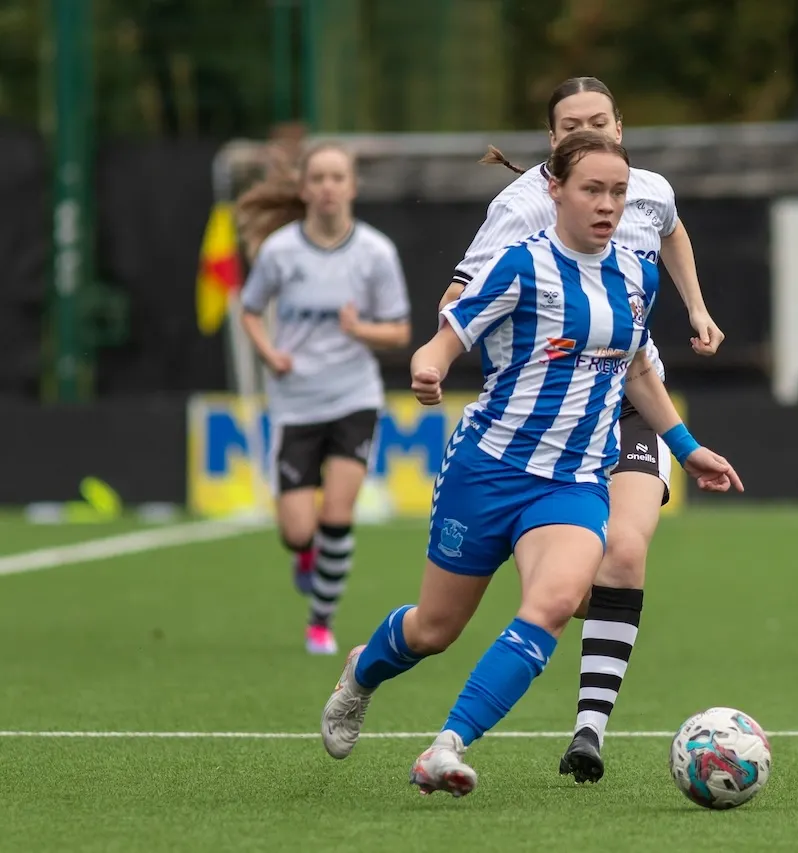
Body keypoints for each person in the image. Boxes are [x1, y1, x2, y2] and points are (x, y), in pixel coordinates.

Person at [319, 131, 743, 799]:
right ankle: (361, 674)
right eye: (592, 190)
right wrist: (429, 368)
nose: (608, 205)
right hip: (486, 470)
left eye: (619, 192)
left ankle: (446, 745)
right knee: (434, 628)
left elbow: (634, 368)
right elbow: (446, 336)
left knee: (553, 602)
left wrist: (688, 449)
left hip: (574, 480)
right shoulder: (519, 265)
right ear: (555, 190)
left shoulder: (638, 273)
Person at [437, 75, 725, 784]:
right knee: (490, 609)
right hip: (547, 413)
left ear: (620, 126)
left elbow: (671, 227)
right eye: (570, 125)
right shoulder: (521, 209)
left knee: (624, 552)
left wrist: (695, 305)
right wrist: (450, 344)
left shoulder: (645, 191)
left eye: (598, 120)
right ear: (552, 143)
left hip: (629, 392)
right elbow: (459, 296)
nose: (585, 131)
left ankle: (588, 730)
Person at [236, 141, 412, 655]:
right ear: (305, 189)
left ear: (352, 187)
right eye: (319, 178)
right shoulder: (280, 251)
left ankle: (321, 622)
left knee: (338, 513)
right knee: (297, 531)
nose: (329, 187)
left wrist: (362, 330)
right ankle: (304, 556)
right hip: (295, 402)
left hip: (354, 397)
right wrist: (269, 352)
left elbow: (400, 331)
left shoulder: (376, 252)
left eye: (339, 177)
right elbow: (250, 310)